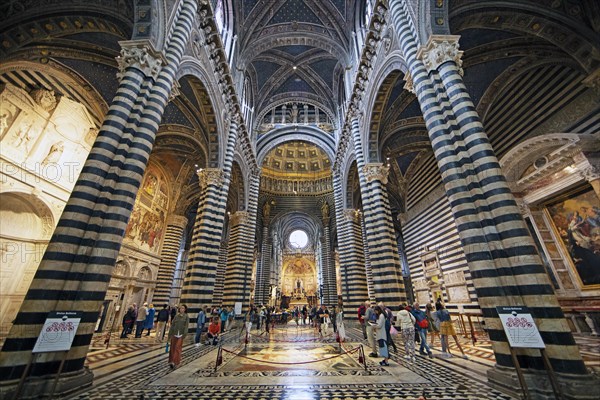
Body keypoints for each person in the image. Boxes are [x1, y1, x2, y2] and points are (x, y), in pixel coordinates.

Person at [167, 304, 189, 369]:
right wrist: (169, 335)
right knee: (172, 348)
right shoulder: (176, 316)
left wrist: (184, 334)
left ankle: (176, 362)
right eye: (180, 308)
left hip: (181, 334)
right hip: (175, 333)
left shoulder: (186, 317)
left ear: (185, 309)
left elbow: (186, 326)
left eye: (183, 308)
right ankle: (171, 361)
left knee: (177, 348)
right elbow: (172, 325)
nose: (181, 309)